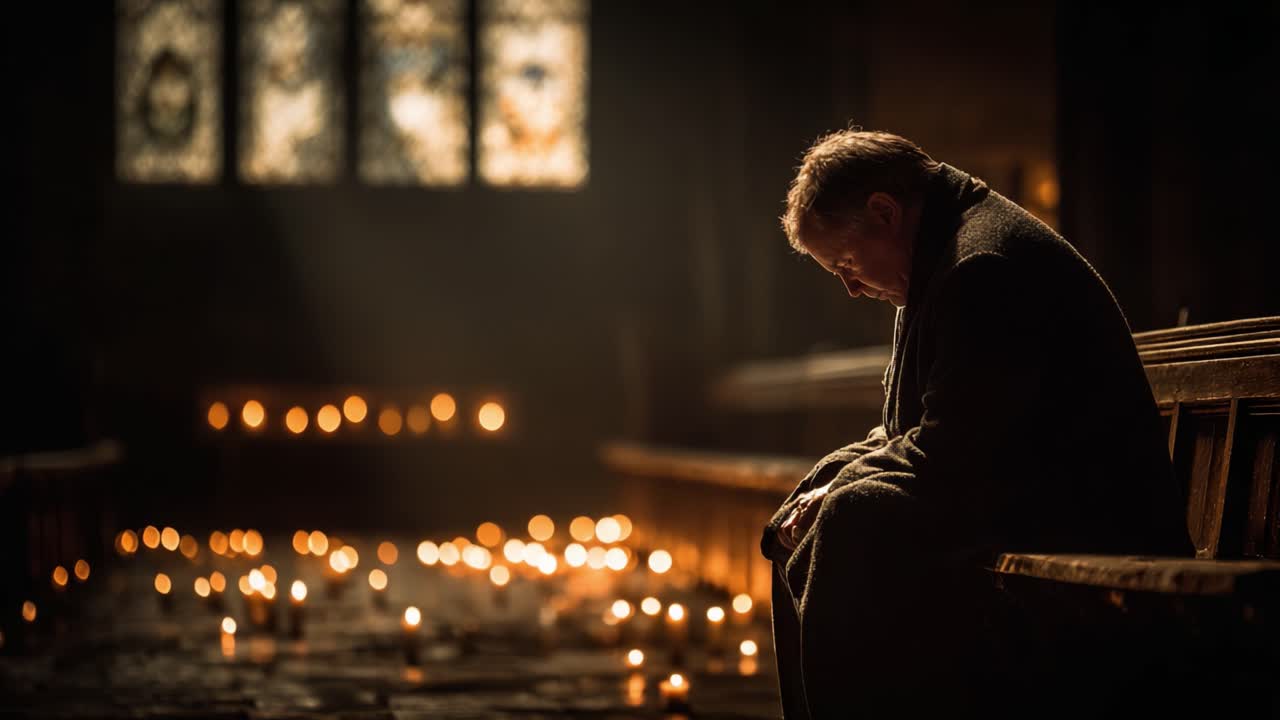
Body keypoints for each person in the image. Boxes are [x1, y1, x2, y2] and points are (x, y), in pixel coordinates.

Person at [758, 130, 1192, 718]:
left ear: (884, 212)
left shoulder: (980, 266)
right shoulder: (935, 259)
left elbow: (956, 448)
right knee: (807, 513)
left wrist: (839, 492)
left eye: (847, 263)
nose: (852, 288)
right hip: (1018, 490)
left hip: (1085, 515)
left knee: (851, 521)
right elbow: (906, 429)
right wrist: (824, 482)